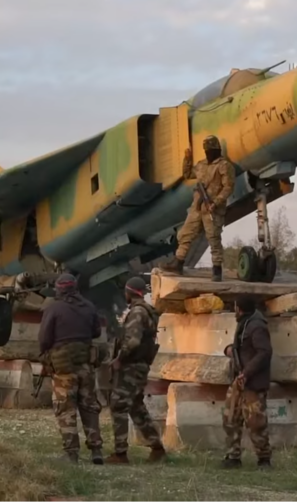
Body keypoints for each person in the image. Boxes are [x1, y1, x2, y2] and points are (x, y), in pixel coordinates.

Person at [38, 273, 104, 465]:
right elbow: (96, 331)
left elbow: (44, 339)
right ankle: (96, 450)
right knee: (89, 407)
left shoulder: (53, 308)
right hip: (86, 366)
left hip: (63, 369)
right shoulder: (89, 307)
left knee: (65, 409)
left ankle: (71, 453)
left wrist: (46, 354)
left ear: (59, 289)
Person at [106, 276, 166, 464]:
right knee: (136, 406)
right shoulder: (146, 311)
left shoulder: (137, 312)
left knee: (118, 405)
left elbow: (132, 341)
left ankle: (121, 453)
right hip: (139, 366)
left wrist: (119, 359)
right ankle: (157, 448)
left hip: (131, 366)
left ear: (129, 292)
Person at [161, 135, 235, 282]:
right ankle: (178, 262)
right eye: (206, 150)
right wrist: (187, 159)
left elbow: (228, 187)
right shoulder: (201, 165)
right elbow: (187, 174)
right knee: (185, 234)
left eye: (210, 150)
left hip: (212, 208)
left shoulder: (224, 166)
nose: (208, 152)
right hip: (197, 207)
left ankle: (217, 269)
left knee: (213, 238)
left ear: (216, 149)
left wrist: (216, 202)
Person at [221, 295, 273, 469]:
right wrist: (230, 349)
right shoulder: (245, 322)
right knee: (230, 419)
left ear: (239, 308)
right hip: (238, 382)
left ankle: (264, 459)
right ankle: (233, 457)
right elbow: (245, 347)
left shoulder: (257, 326)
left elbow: (264, 352)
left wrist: (247, 372)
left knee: (256, 423)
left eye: (235, 307)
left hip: (252, 383)